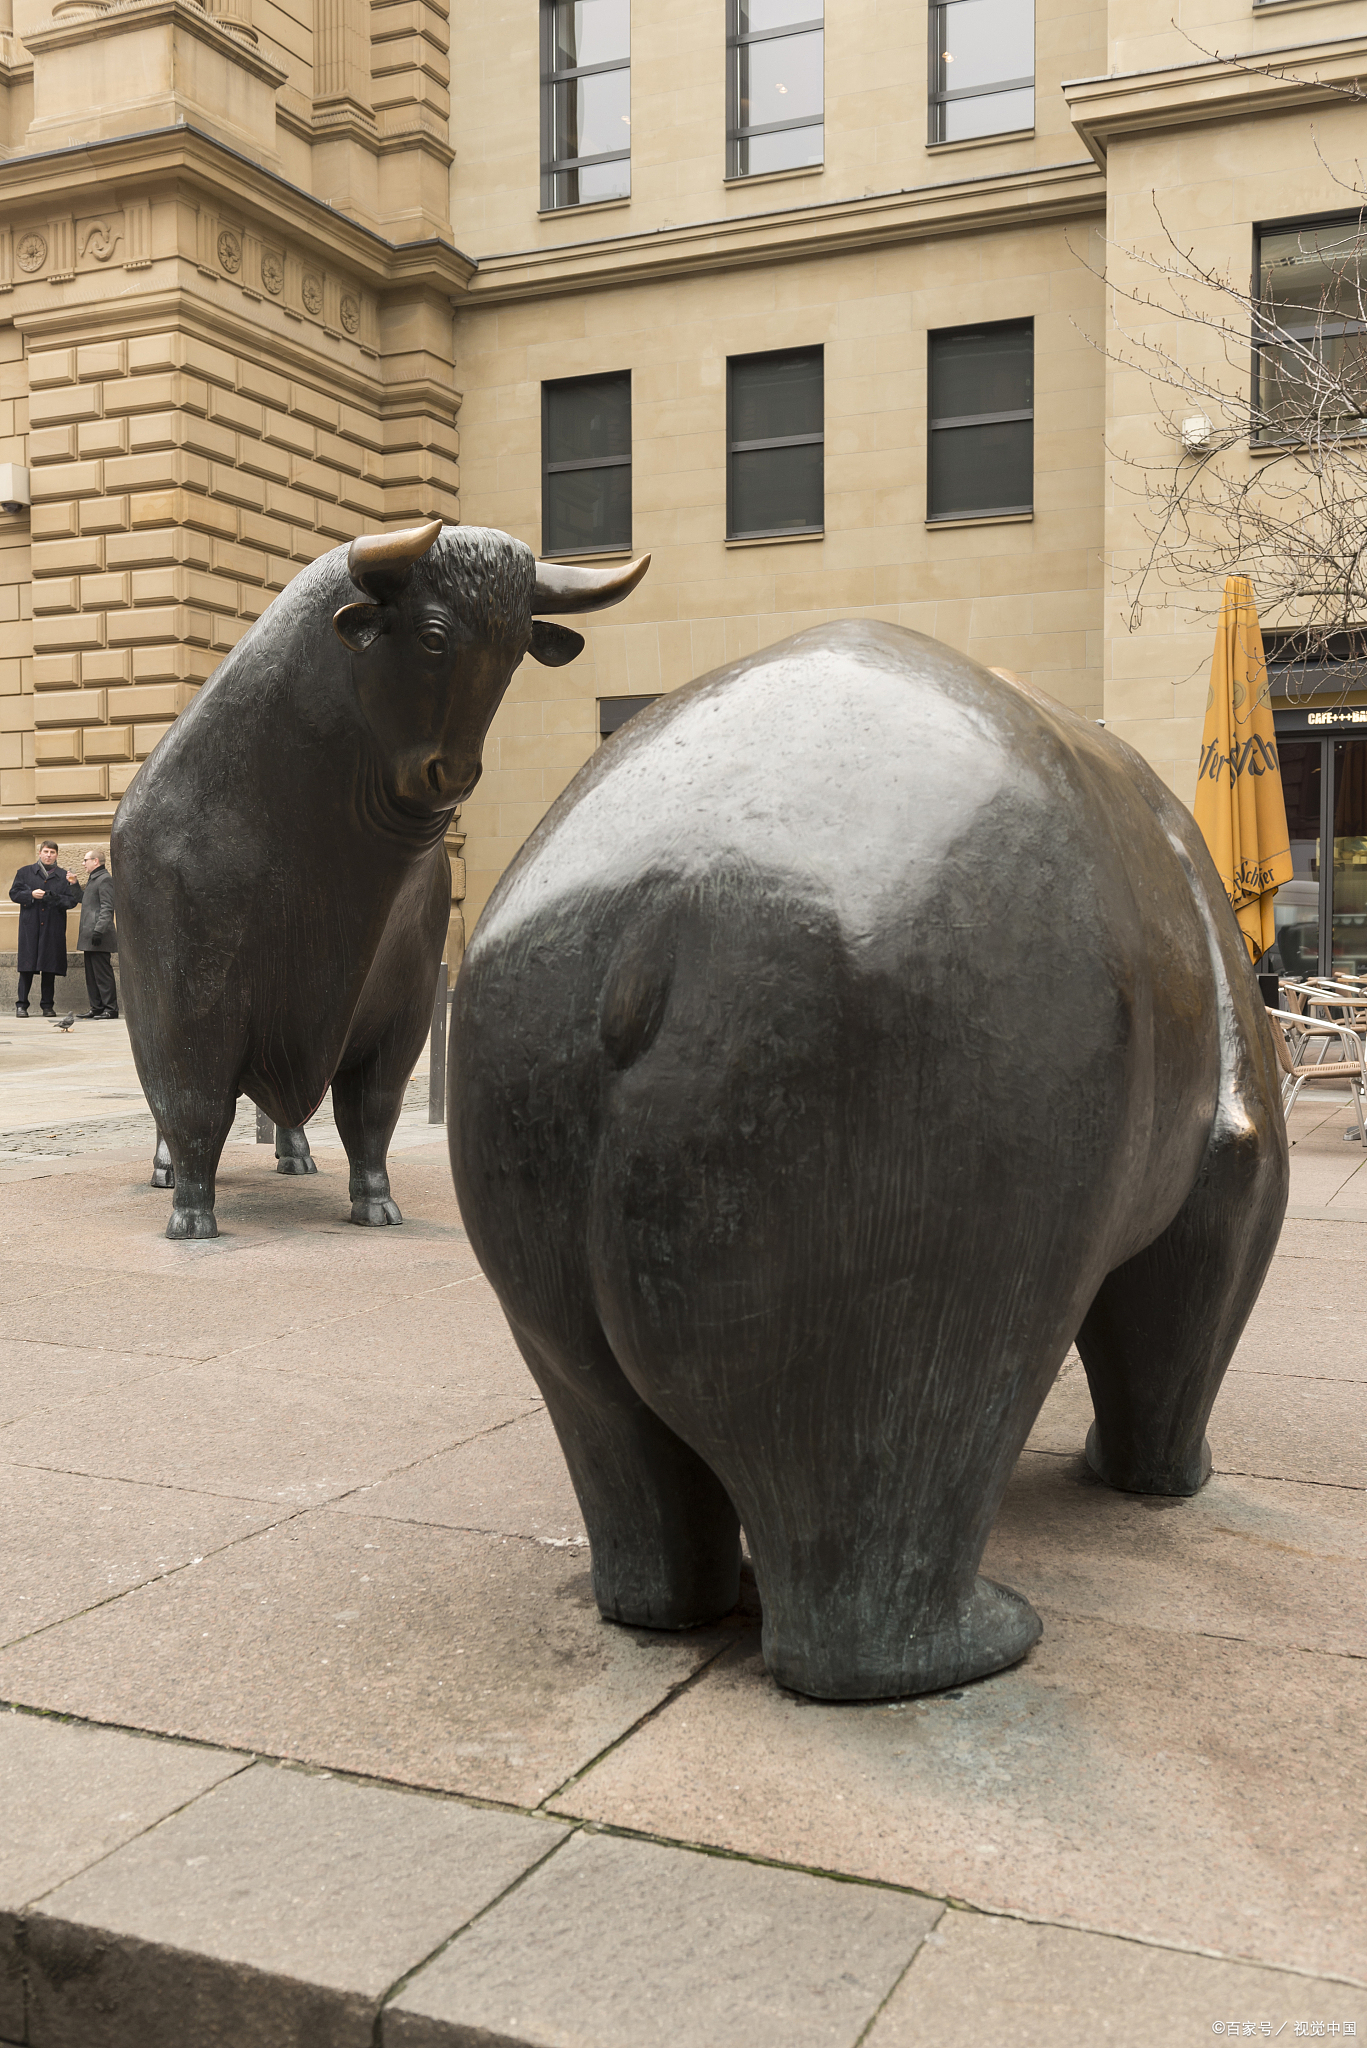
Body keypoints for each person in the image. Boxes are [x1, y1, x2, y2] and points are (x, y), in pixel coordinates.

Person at [10, 840, 80, 1017]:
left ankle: (47, 1006)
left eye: (53, 852)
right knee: (26, 968)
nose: (49, 855)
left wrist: (54, 898)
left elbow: (72, 901)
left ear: (57, 855)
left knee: (49, 968)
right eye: (46, 851)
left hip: (52, 928)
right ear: (40, 853)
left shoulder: (64, 875)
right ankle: (21, 1005)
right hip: (30, 928)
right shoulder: (25, 872)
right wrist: (30, 895)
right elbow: (14, 894)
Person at [75, 847, 118, 1018]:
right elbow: (83, 900)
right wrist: (73, 885)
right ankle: (97, 1007)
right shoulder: (94, 879)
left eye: (85, 860)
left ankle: (110, 1009)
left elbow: (107, 908)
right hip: (90, 936)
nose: (83, 863)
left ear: (95, 861)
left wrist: (99, 930)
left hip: (99, 936)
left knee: (102, 975)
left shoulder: (105, 879)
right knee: (92, 976)